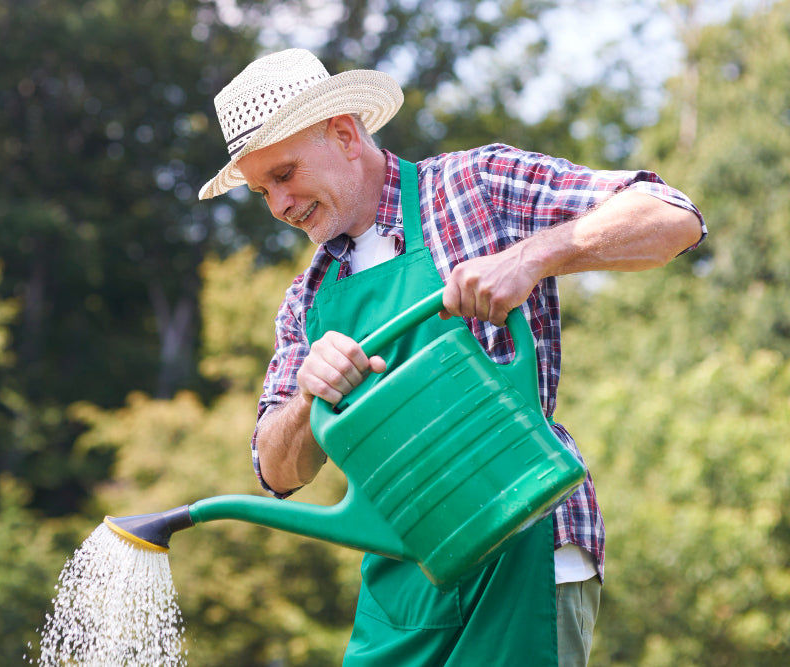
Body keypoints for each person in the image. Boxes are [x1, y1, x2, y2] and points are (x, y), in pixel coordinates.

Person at [198, 48, 705, 666]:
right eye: (261, 191)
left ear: (344, 133)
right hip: (404, 583)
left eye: (284, 174)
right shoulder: (308, 297)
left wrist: (532, 257)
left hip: (521, 545)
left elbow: (672, 216)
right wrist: (308, 397)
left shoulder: (475, 187)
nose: (278, 205)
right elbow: (276, 472)